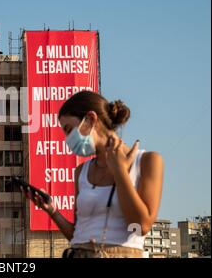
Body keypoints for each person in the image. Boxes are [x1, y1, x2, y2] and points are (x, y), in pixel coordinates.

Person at [23, 91, 164, 258]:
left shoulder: (147, 161)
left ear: (90, 118)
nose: (68, 139)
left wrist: (120, 172)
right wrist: (53, 212)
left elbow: (141, 226)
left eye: (69, 130)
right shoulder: (81, 172)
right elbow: (79, 234)